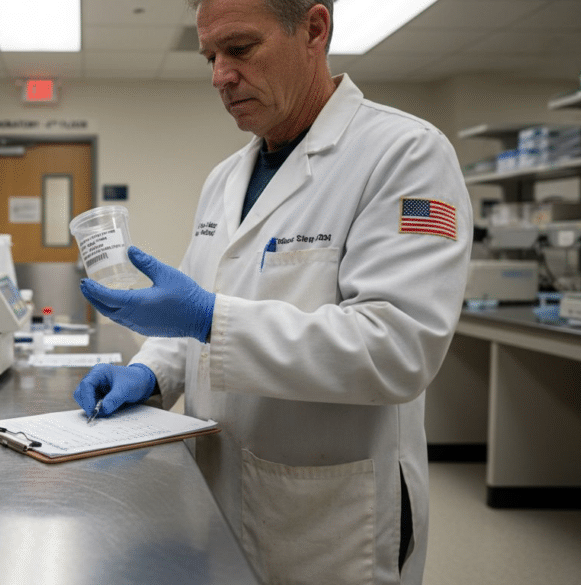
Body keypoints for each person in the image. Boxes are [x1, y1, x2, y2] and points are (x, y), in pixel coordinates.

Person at [72, 0, 472, 584]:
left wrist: (210, 318)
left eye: (239, 49)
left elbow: (398, 349)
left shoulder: (407, 155)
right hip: (220, 492)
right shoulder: (225, 179)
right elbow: (194, 311)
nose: (219, 76)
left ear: (314, 29)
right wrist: (152, 374)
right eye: (210, 56)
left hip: (330, 511)